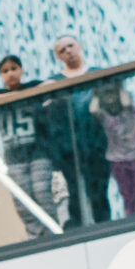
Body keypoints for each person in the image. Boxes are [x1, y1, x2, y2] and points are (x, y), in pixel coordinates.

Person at [0, 55, 60, 236]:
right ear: (1, 75)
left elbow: (51, 84)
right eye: (5, 71)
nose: (10, 74)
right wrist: (7, 97)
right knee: (23, 202)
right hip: (14, 157)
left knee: (43, 193)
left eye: (14, 69)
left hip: (38, 152)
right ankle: (35, 236)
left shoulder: (32, 87)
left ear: (21, 70)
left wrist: (25, 94)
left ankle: (53, 232)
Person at [45, 36, 109, 228]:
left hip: (97, 142)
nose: (68, 52)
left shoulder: (97, 73)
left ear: (79, 46)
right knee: (74, 189)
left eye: (70, 46)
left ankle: (104, 226)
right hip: (69, 146)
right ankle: (80, 228)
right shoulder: (54, 82)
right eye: (62, 50)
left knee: (98, 189)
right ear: (58, 56)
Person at [90, 76, 135, 216]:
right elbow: (93, 110)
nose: (110, 97)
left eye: (113, 93)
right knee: (128, 198)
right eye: (106, 94)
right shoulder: (104, 115)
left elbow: (125, 101)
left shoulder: (128, 109)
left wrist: (119, 85)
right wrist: (95, 92)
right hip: (118, 160)